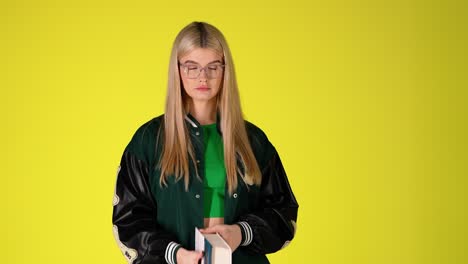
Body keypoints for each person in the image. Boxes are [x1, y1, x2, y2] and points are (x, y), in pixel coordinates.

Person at [112, 21, 299, 264]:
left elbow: (283, 214)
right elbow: (128, 221)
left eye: (213, 67)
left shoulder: (252, 141)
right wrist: (176, 255)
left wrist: (241, 233)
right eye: (192, 67)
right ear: (177, 70)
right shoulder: (149, 140)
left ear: (225, 70)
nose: (203, 76)